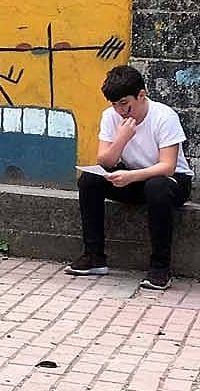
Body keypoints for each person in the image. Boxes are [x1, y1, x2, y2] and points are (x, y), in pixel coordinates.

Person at [66, 64, 192, 290]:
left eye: (125, 104)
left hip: (171, 181)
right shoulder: (110, 116)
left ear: (141, 95)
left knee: (157, 187)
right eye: (114, 104)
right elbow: (105, 162)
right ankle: (94, 257)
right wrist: (121, 138)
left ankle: (160, 268)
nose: (120, 110)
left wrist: (131, 176)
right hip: (133, 177)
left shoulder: (164, 116)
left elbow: (168, 166)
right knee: (89, 180)